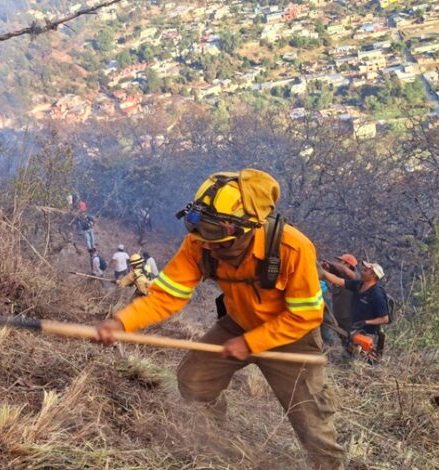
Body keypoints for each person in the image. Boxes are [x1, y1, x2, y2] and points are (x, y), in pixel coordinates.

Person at [96, 169, 345, 469]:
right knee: (194, 379)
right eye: (204, 236)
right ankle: (215, 445)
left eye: (219, 240)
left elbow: (306, 315)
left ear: (249, 228)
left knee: (311, 417)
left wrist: (251, 343)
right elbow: (166, 295)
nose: (209, 246)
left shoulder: (293, 248)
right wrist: (122, 322)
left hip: (290, 337)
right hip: (238, 323)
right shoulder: (200, 242)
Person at [322, 260, 389, 358]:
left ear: (373, 276)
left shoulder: (377, 294)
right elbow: (339, 281)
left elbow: (385, 319)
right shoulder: (359, 285)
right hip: (354, 330)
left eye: (367, 270)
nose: (364, 270)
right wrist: (323, 273)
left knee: (361, 359)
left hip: (367, 334)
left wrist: (366, 322)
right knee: (347, 357)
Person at [321, 254, 360, 331]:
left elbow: (345, 271)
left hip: (347, 318)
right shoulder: (339, 275)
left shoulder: (356, 277)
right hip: (336, 315)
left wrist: (331, 263)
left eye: (340, 261)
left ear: (347, 264)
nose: (337, 262)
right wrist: (326, 267)